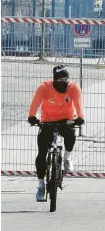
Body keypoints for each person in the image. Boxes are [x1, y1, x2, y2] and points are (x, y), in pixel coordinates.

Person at [27, 65, 85, 202]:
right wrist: (32, 116)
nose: (64, 82)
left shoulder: (74, 87)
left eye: (66, 79)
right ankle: (41, 185)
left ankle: (67, 157)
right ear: (54, 79)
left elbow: (79, 103)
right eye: (61, 79)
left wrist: (80, 117)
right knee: (42, 153)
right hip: (47, 121)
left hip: (67, 120)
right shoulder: (45, 87)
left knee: (71, 135)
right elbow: (35, 103)